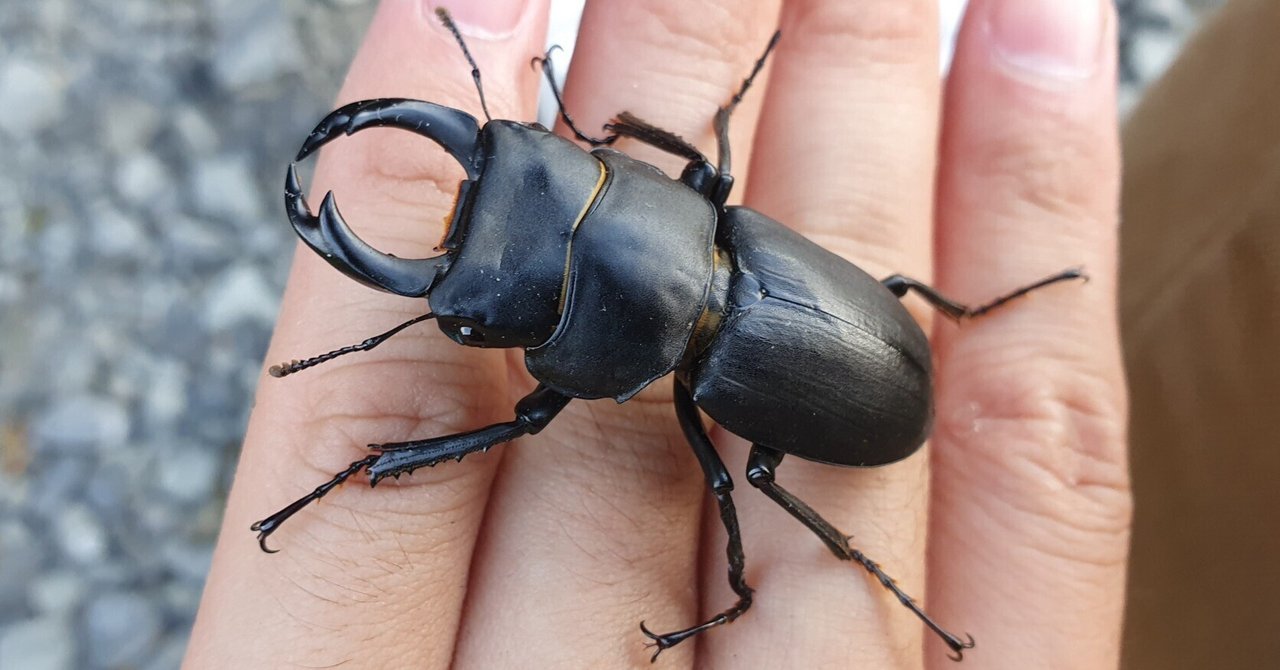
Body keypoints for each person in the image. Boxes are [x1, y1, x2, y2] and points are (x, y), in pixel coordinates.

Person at [184, 0, 1130, 667]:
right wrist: (603, 137)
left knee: (737, 477)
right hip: (781, 301)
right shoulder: (724, 217)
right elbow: (701, 164)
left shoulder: (718, 275)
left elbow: (550, 427)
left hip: (847, 388)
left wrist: (746, 577)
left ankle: (856, 558)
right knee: (727, 458)